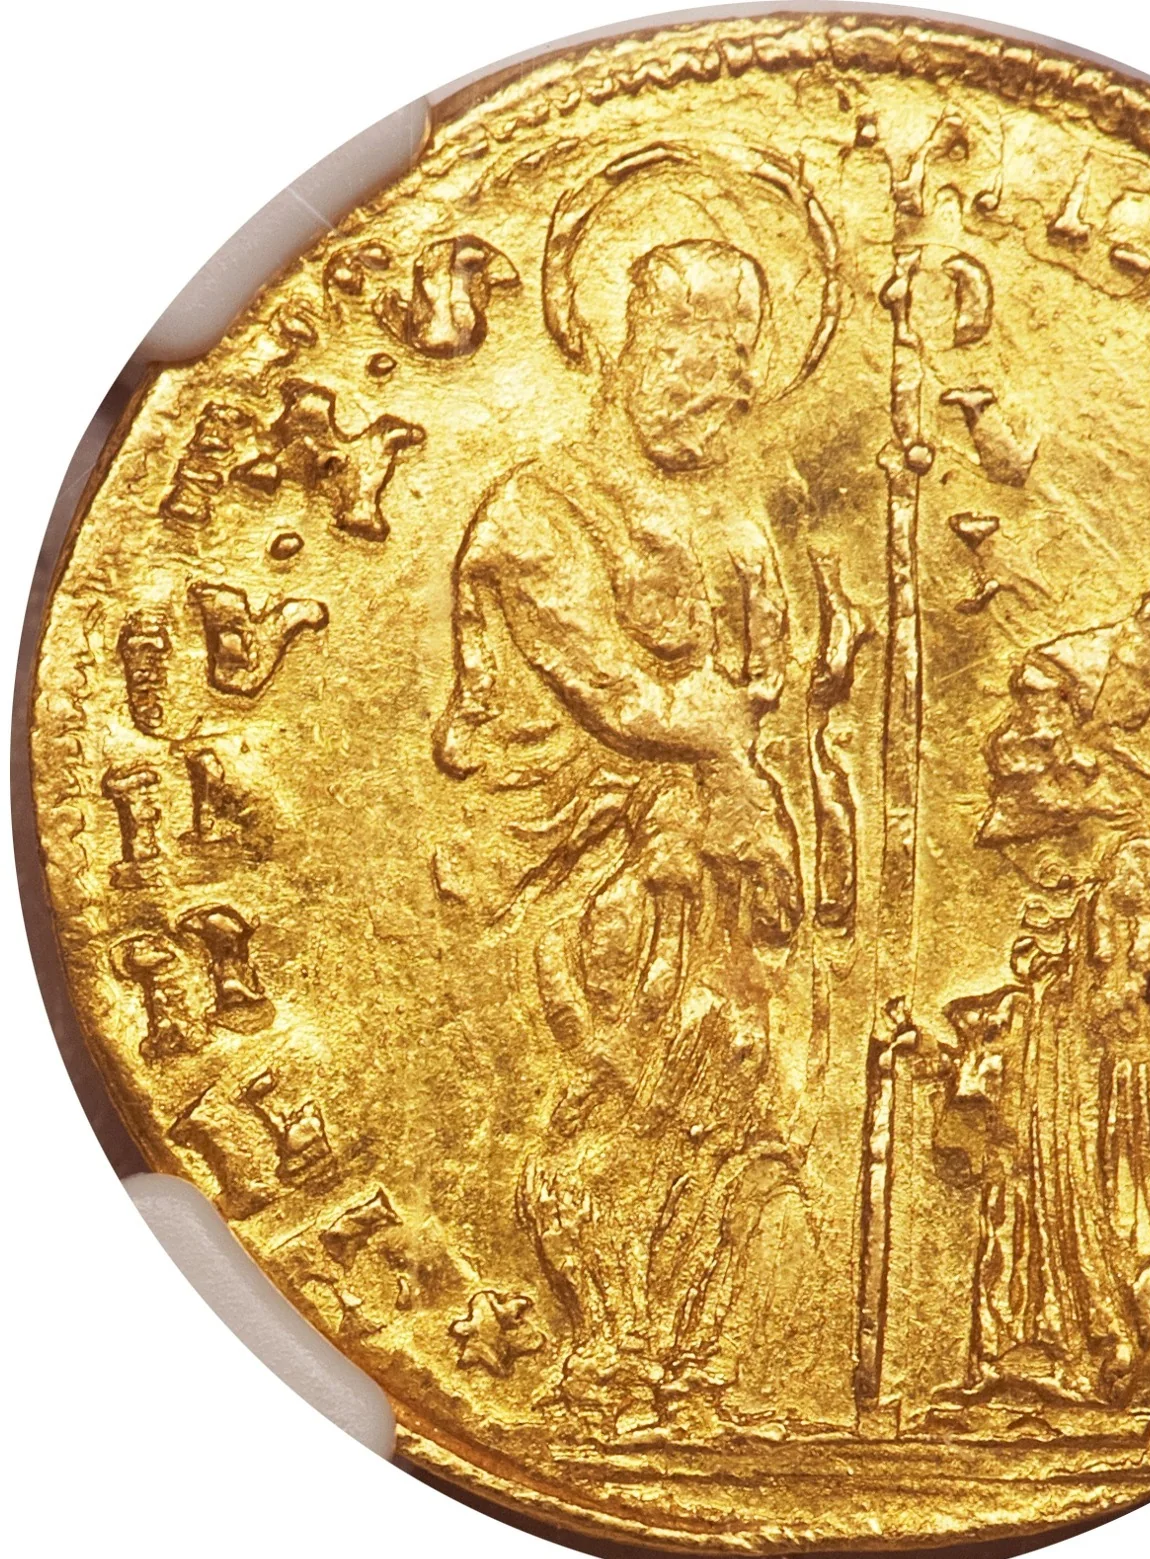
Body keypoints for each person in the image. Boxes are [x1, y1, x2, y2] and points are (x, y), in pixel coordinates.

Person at [435, 238, 819, 1436]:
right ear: (643, 345)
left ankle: (691, 1359)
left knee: (744, 1101)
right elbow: (623, 696)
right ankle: (606, 1353)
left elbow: (759, 698)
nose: (738, 389)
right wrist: (718, 754)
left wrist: (751, 769)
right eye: (714, 357)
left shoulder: (737, 524)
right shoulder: (533, 516)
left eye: (748, 361)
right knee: (626, 1100)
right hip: (600, 867)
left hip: (729, 870)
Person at [929, 591, 1150, 1431]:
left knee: (1110, 1198)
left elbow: (1126, 1004)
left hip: (1110, 1081)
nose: (1017, 728)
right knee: (1032, 1180)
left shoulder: (1129, 864)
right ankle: (1039, 1355)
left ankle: (1119, 1355)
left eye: (1038, 705)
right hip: (1060, 1067)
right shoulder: (1074, 861)